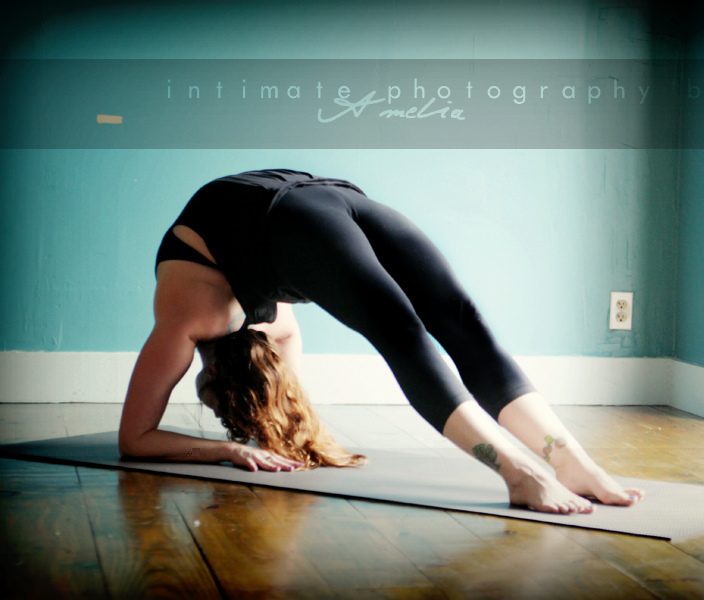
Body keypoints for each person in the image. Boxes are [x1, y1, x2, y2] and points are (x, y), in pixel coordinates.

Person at [119, 169, 644, 514]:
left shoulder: (189, 319)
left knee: (403, 336)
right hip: (335, 198)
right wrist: (270, 417)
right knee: (462, 322)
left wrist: (229, 449)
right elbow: (283, 387)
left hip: (292, 219)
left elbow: (135, 439)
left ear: (212, 372)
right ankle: (572, 460)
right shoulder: (271, 327)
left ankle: (522, 472)